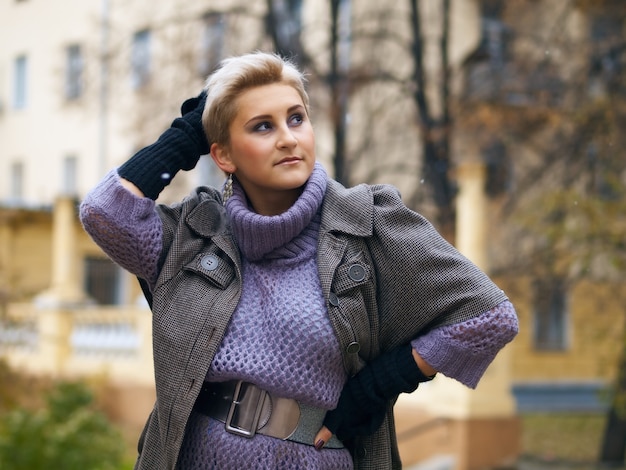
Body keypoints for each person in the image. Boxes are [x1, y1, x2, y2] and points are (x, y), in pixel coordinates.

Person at [80, 51, 519, 470]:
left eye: (296, 118)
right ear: (224, 155)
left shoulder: (369, 224)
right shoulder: (195, 233)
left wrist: (380, 384)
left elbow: (489, 316)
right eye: (262, 126)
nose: (288, 138)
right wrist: (190, 132)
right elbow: (105, 212)